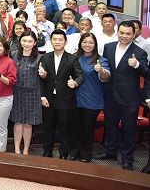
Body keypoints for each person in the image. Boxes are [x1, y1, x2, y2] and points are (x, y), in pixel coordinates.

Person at [96, 21, 148, 170]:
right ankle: (110, 152)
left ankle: (127, 159)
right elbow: (106, 67)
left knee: (129, 130)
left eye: (128, 34)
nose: (124, 36)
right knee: (110, 125)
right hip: (110, 94)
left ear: (134, 34)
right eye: (122, 33)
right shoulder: (109, 47)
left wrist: (137, 65)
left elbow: (147, 72)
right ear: (118, 32)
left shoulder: (139, 52)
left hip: (129, 98)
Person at [38, 30, 84, 159]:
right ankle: (47, 153)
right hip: (48, 99)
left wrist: (75, 82)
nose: (57, 42)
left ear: (65, 41)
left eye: (60, 39)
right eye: (55, 39)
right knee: (48, 128)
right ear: (51, 41)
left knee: (65, 130)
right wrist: (42, 96)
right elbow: (41, 79)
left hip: (66, 100)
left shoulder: (72, 58)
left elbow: (80, 76)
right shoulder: (45, 57)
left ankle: (63, 155)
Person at [70, 32, 110, 163]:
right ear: (80, 43)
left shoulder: (100, 60)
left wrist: (101, 70)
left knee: (87, 128)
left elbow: (106, 76)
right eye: (85, 42)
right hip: (75, 98)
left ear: (95, 45)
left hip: (92, 100)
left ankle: (86, 155)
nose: (87, 45)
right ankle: (74, 151)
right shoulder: (74, 57)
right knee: (75, 127)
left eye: (91, 42)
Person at [10, 30, 42, 154]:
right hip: (17, 92)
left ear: (35, 43)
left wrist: (44, 74)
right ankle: (17, 149)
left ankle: (26, 149)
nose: (26, 44)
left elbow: (44, 77)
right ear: (20, 41)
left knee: (29, 124)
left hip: (33, 93)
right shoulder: (13, 55)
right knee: (18, 121)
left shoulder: (40, 57)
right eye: (24, 41)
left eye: (30, 41)